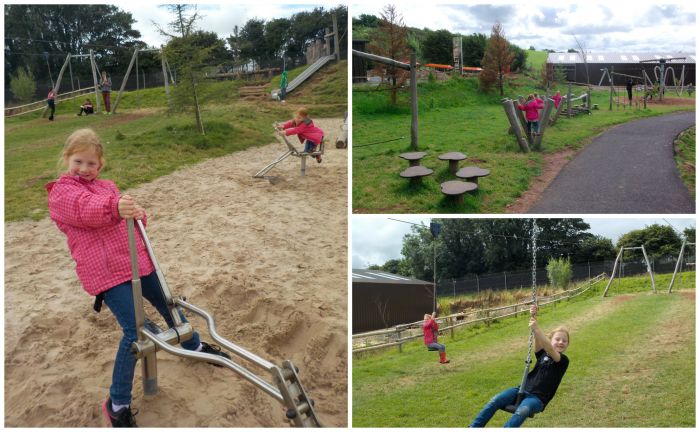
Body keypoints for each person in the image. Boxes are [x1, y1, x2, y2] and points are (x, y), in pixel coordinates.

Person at [45, 129, 232, 427]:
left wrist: (137, 212)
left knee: (171, 305)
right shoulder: (61, 193)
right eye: (78, 161)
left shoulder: (107, 186)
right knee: (137, 332)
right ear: (67, 159)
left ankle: (191, 345)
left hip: (137, 261)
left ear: (100, 165)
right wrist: (115, 208)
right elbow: (85, 211)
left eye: (91, 164)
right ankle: (117, 402)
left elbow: (126, 218)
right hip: (107, 274)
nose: (84, 169)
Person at [469, 305, 569, 428]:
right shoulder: (543, 355)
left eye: (564, 341)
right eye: (557, 339)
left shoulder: (563, 361)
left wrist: (537, 328)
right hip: (521, 390)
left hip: (537, 399)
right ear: (551, 339)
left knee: (522, 410)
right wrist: (534, 317)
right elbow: (540, 343)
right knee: (495, 401)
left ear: (567, 344)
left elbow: (548, 346)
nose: (560, 342)